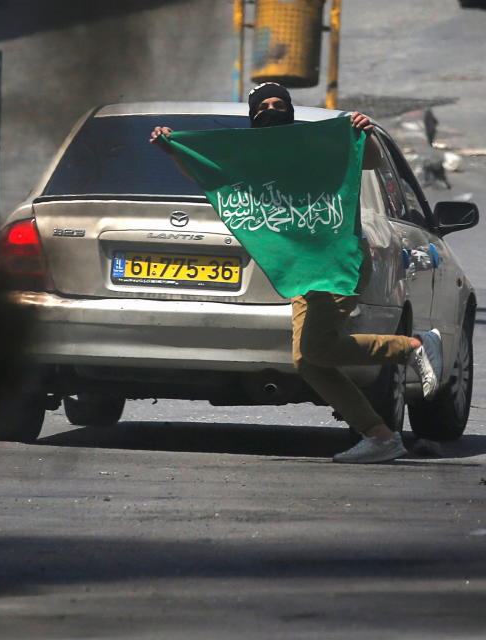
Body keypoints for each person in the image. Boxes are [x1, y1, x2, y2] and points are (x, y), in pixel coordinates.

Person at [148, 82, 444, 464]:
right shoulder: (253, 159)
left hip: (335, 261)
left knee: (316, 350)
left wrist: (364, 132)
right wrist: (172, 148)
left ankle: (412, 348)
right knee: (309, 360)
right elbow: (208, 170)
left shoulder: (317, 143)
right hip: (303, 269)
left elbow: (366, 159)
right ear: (253, 116)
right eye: (263, 106)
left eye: (279, 104)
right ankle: (380, 434)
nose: (271, 110)